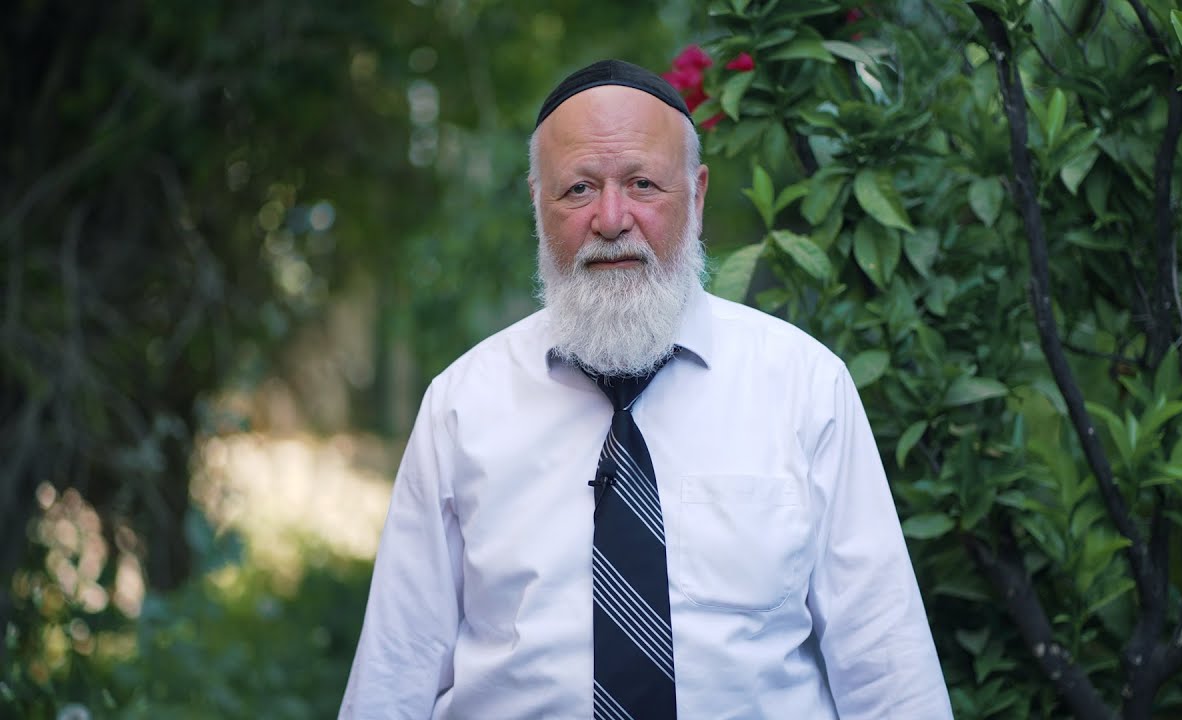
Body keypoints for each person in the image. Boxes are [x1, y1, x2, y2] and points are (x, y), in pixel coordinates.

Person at [340, 59, 952, 719]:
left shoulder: (805, 388)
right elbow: (394, 676)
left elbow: (889, 672)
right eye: (578, 188)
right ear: (537, 201)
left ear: (697, 194)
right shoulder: (462, 405)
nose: (611, 219)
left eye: (642, 184)